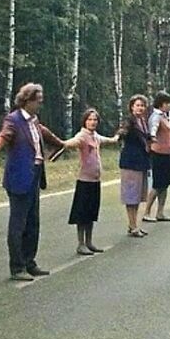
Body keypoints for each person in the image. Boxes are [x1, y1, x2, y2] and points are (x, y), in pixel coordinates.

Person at [0, 83, 64, 281]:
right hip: (19, 178)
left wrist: (63, 144)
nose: (40, 104)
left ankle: (30, 262)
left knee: (33, 222)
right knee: (18, 224)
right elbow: (3, 136)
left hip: (35, 175)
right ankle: (17, 267)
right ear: (27, 101)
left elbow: (48, 135)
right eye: (38, 101)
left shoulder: (34, 121)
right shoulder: (14, 120)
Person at [61, 108, 118, 255]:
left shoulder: (95, 136)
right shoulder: (82, 136)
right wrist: (62, 143)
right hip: (84, 181)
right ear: (84, 121)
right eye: (89, 120)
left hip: (95, 180)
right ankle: (81, 243)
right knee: (82, 214)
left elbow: (107, 140)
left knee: (91, 213)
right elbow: (73, 142)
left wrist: (117, 136)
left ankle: (89, 242)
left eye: (95, 120)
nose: (92, 122)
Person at [118, 95, 151, 237]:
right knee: (131, 195)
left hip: (141, 161)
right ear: (132, 106)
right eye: (137, 105)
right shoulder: (129, 120)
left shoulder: (142, 121)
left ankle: (134, 224)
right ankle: (132, 225)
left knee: (137, 196)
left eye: (142, 105)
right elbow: (122, 131)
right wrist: (118, 136)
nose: (140, 108)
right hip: (131, 162)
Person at [143, 91, 170, 223]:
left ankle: (160, 212)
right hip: (159, 154)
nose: (169, 106)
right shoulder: (156, 116)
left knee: (165, 184)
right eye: (168, 103)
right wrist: (153, 138)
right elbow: (153, 130)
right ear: (162, 104)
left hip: (168, 153)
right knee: (158, 184)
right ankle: (146, 212)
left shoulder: (165, 116)